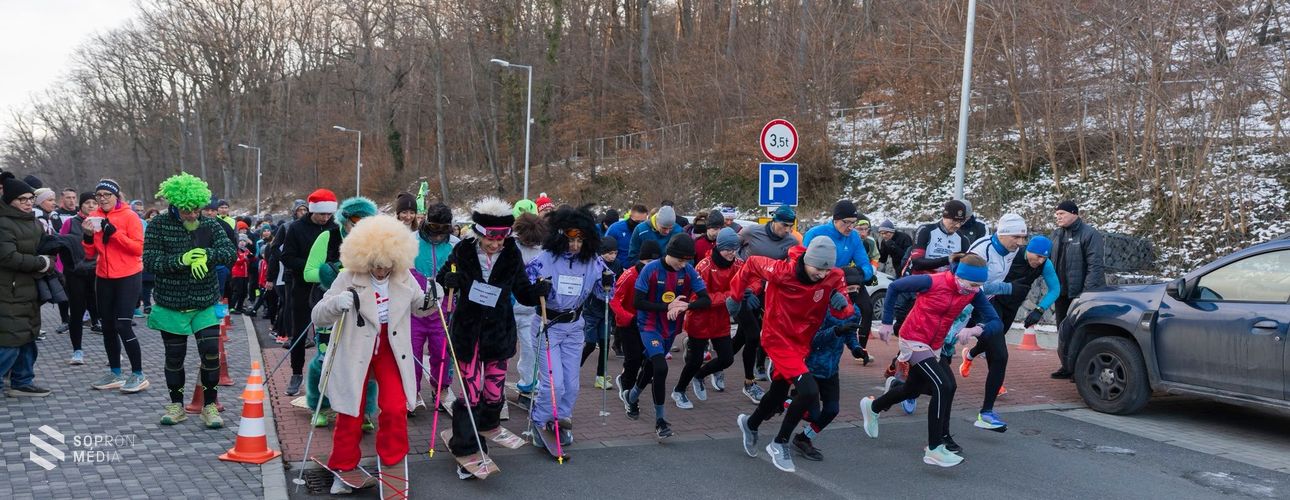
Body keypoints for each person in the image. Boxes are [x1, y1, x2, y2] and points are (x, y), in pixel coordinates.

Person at [312, 214, 436, 495]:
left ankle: (393, 461)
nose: (381, 271)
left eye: (386, 265)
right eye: (375, 265)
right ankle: (343, 465)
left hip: (390, 349)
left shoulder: (404, 277)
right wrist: (336, 303)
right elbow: (318, 316)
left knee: (395, 407)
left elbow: (421, 307)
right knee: (350, 411)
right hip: (355, 348)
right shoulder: (348, 277)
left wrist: (433, 296)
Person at [437, 197, 549, 479]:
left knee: (493, 391)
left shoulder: (511, 254)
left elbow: (522, 290)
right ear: (479, 233)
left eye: (501, 239)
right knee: (471, 392)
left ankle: (486, 425)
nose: (495, 244)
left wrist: (537, 292)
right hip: (468, 330)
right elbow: (443, 276)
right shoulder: (463, 250)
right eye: (491, 238)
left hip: (498, 330)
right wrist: (449, 281)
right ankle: (467, 445)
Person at [859, 254, 1003, 468]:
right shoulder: (932, 281)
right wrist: (887, 322)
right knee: (942, 385)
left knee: (915, 389)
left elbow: (995, 322)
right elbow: (895, 287)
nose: (975, 290)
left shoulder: (972, 292)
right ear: (959, 276)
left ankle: (873, 406)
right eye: (972, 284)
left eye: (979, 286)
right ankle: (935, 448)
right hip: (913, 338)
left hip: (934, 345)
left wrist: (976, 329)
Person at [732, 237, 854, 472]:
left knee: (778, 394)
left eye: (826, 269)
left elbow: (844, 312)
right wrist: (735, 297)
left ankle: (751, 423)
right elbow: (750, 264)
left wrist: (841, 305)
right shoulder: (781, 271)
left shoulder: (834, 276)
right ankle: (780, 443)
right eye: (818, 268)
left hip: (802, 342)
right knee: (808, 391)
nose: (822, 274)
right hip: (777, 338)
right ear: (807, 260)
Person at [144, 173, 236, 428]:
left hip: (205, 301)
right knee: (174, 357)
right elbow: (150, 261)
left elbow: (230, 252)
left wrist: (206, 255)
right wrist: (181, 260)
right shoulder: (158, 225)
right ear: (175, 204)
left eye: (197, 209)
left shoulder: (210, 225)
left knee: (210, 354)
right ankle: (176, 405)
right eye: (187, 210)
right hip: (170, 303)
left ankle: (209, 406)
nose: (193, 215)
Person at [525, 205, 608, 446]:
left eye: (580, 240)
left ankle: (561, 419)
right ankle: (540, 420)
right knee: (554, 384)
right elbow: (523, 288)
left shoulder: (592, 261)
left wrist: (607, 283)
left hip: (574, 327)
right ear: (560, 237)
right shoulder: (545, 259)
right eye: (571, 240)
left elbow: (605, 294)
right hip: (548, 325)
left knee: (571, 384)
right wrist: (536, 290)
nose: (575, 245)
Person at [960, 233, 1060, 431]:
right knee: (999, 353)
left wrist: (1039, 310)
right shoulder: (1012, 255)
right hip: (993, 303)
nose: (1040, 261)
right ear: (1028, 250)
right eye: (1037, 256)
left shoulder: (1045, 265)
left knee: (991, 344)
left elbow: (1055, 288)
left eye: (1044, 257)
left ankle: (970, 355)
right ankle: (986, 411)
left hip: (1011, 307)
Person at [302, 196, 380, 428]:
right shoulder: (329, 237)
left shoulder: (375, 242)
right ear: (345, 219)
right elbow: (308, 272)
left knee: (366, 360)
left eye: (367, 220)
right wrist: (331, 273)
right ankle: (321, 406)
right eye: (356, 219)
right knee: (326, 357)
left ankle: (364, 410)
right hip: (331, 306)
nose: (361, 224)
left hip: (364, 310)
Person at [624, 234, 711, 439]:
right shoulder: (651, 269)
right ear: (670, 253)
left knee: (651, 366)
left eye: (687, 260)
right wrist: (667, 306)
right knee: (661, 368)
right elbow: (638, 302)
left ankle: (632, 396)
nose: (683, 264)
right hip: (649, 326)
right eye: (680, 259)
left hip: (670, 329)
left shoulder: (688, 271)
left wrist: (687, 306)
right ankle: (660, 421)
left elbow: (706, 300)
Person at [791, 266, 867, 460]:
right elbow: (812, 339)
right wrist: (836, 331)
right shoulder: (822, 307)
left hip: (831, 369)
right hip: (811, 367)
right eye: (850, 289)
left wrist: (856, 349)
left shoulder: (855, 310)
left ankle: (803, 438)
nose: (854, 293)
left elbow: (850, 333)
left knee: (832, 410)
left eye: (857, 289)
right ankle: (782, 402)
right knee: (812, 414)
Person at [83, 178, 150, 393]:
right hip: (103, 276)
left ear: (116, 196)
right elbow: (89, 254)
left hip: (128, 276)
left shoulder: (129, 216)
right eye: (99, 195)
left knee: (123, 325)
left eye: (107, 195)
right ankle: (115, 372)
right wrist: (87, 236)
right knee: (108, 326)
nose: (102, 199)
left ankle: (138, 374)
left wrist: (114, 233)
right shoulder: (94, 217)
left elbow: (138, 249)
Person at [731, 204, 798, 403]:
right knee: (752, 336)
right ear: (774, 221)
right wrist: (739, 276)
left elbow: (791, 268)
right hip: (743, 289)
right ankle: (749, 382)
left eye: (790, 226)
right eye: (784, 225)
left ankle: (719, 363)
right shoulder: (751, 232)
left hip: (765, 292)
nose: (787, 230)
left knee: (744, 336)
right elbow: (730, 251)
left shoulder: (791, 241)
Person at [672, 227, 741, 408]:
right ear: (719, 247)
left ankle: (700, 376)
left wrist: (750, 290)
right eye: (728, 249)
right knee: (695, 360)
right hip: (700, 319)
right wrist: (731, 296)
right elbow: (697, 298)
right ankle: (679, 390)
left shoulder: (738, 264)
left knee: (727, 358)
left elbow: (751, 279)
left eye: (735, 249)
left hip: (721, 319)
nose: (732, 253)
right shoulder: (704, 266)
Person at [280, 189, 341, 396]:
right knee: (299, 331)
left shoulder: (336, 228)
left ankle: (329, 373)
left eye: (329, 214)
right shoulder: (296, 228)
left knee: (330, 332)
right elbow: (287, 257)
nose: (325, 218)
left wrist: (331, 270)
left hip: (330, 288)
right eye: (321, 214)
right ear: (313, 211)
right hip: (303, 287)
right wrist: (312, 267)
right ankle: (296, 372)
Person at [0, 173, 55, 397]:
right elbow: (7, 256)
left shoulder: (33, 221)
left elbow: (42, 247)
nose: (27, 203)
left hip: (29, 290)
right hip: (8, 291)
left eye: (30, 198)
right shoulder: (3, 222)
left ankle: (22, 381)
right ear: (10, 200)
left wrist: (52, 253)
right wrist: (41, 263)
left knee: (28, 337)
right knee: (10, 340)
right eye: (21, 199)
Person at [803, 200, 877, 363]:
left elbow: (865, 264)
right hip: (820, 281)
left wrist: (860, 274)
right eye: (847, 222)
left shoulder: (854, 237)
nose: (850, 227)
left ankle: (860, 348)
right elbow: (802, 263)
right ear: (835, 219)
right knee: (822, 319)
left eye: (853, 223)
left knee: (866, 308)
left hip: (845, 280)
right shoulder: (816, 233)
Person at [410, 202, 459, 412]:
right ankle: (412, 390)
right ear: (425, 222)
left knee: (442, 351)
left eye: (443, 228)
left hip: (443, 306)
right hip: (415, 306)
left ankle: (441, 387)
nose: (438, 234)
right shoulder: (411, 241)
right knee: (412, 349)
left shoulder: (455, 245)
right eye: (434, 227)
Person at [1050, 200, 1105, 379]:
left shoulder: (1090, 234)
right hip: (1061, 293)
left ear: (1074, 213)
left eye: (1062, 214)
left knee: (1082, 332)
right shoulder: (1056, 234)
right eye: (1056, 214)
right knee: (1063, 331)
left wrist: (1087, 294)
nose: (1058, 217)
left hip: (1081, 295)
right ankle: (1067, 366)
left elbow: (1095, 266)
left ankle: (1082, 370)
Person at [610, 239, 660, 408]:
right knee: (633, 358)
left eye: (654, 262)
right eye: (648, 261)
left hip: (648, 323)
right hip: (628, 324)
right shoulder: (629, 275)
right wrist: (628, 317)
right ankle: (626, 386)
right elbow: (614, 300)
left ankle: (631, 380)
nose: (651, 265)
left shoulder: (659, 275)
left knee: (649, 356)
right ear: (641, 259)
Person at [59, 192, 101, 364]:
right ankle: (77, 351)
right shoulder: (70, 223)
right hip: (76, 274)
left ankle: (113, 352)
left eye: (94, 203)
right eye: (87, 202)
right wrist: (63, 270)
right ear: (81, 205)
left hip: (98, 272)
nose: (91, 206)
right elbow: (60, 245)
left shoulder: (102, 222)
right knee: (77, 312)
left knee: (102, 312)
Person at [510, 212, 548, 400]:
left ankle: (528, 381)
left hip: (530, 310)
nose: (530, 244)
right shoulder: (510, 246)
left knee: (531, 348)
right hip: (508, 307)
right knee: (501, 349)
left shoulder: (543, 250)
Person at [580, 235, 621, 389]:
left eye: (615, 253)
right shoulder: (594, 264)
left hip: (607, 310)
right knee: (590, 344)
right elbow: (588, 284)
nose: (612, 256)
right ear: (602, 252)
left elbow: (618, 283)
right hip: (592, 310)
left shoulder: (617, 264)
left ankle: (601, 377)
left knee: (604, 345)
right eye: (609, 253)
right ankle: (573, 369)